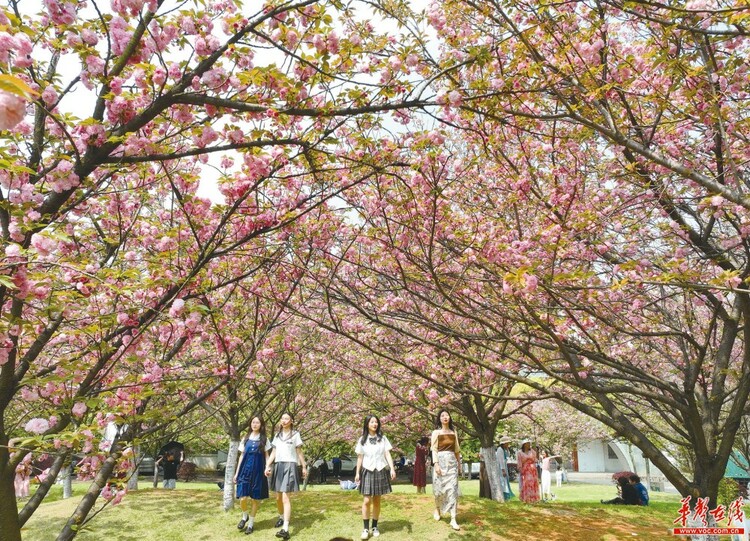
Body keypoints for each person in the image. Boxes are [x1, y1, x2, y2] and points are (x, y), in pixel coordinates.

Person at [265, 412, 307, 540]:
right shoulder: (277, 435)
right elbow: (273, 452)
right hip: (278, 466)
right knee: (278, 497)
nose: (284, 420)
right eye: (282, 418)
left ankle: (285, 528)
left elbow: (299, 451)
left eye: (286, 418)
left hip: (290, 465)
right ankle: (281, 516)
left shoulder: (295, 434)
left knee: (285, 497)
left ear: (291, 421)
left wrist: (304, 466)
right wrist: (267, 465)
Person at [355, 415, 396, 540]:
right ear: (367, 424)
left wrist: (392, 468)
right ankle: (365, 528)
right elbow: (360, 457)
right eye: (372, 422)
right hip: (367, 470)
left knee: (377, 500)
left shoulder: (382, 438)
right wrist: (357, 473)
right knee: (366, 501)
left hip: (380, 470)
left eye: (376, 422)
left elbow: (387, 454)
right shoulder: (362, 439)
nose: (374, 424)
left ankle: (375, 526)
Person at [234, 415, 271, 534]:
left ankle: (251, 524)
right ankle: (245, 516)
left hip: (258, 472)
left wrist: (268, 467)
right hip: (245, 471)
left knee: (255, 499)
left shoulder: (264, 439)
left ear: (261, 425)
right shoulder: (245, 438)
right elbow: (241, 457)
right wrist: (236, 473)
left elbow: (267, 456)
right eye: (253, 422)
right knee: (242, 497)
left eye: (257, 423)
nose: (254, 424)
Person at [431, 409, 461, 531]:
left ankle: (453, 518)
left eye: (447, 415)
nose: (445, 417)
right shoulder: (436, 432)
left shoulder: (454, 432)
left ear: (449, 417)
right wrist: (436, 464)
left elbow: (457, 450)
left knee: (453, 490)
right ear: (439, 418)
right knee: (438, 490)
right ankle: (438, 509)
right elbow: (434, 449)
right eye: (442, 415)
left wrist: (459, 464)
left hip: (452, 463)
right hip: (440, 462)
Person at [517, 439, 539, 503]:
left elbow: (535, 460)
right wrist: (520, 470)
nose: (529, 445)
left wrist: (537, 452)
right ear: (524, 445)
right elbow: (519, 462)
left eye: (529, 443)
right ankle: (526, 498)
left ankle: (533, 498)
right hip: (525, 469)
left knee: (533, 483)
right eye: (527, 443)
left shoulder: (532, 452)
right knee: (527, 483)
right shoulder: (520, 453)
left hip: (532, 469)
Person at [495, 435, 514, 501]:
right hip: (501, 467)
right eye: (507, 443)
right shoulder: (500, 450)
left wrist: (507, 449)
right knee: (503, 481)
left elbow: (508, 456)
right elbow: (501, 460)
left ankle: (505, 496)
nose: (508, 444)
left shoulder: (504, 450)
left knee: (505, 481)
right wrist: (503, 470)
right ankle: (502, 495)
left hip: (504, 466)